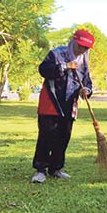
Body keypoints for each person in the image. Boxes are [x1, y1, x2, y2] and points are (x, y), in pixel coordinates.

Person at [31, 29, 95, 183]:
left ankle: (56, 168)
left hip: (70, 101)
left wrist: (86, 90)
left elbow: (87, 81)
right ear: (73, 42)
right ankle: (40, 169)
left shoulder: (84, 60)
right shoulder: (56, 53)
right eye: (80, 46)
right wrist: (64, 67)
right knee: (47, 134)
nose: (82, 51)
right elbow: (43, 70)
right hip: (51, 100)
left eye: (86, 48)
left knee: (63, 135)